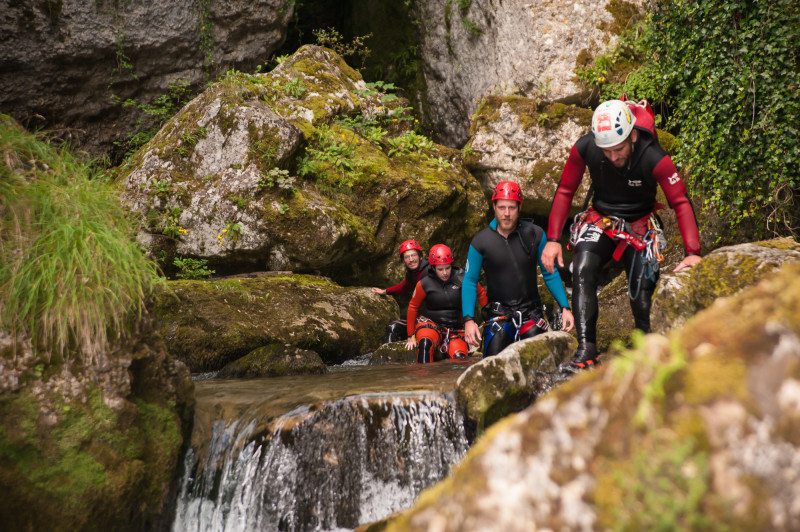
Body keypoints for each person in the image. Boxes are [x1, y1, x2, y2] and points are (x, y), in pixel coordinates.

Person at [542, 99, 702, 373]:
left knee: (641, 291)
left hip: (641, 222)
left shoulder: (654, 156)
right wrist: (553, 239)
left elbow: (681, 202)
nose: (613, 158)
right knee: (582, 267)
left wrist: (692, 252)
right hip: (602, 218)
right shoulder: (586, 147)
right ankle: (586, 350)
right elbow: (566, 189)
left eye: (618, 150)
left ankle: (647, 352)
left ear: (633, 136)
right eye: (607, 152)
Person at [462, 181, 575, 358]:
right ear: (494, 207)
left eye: (511, 208)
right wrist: (469, 320)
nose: (506, 213)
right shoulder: (481, 241)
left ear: (520, 207)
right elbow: (469, 281)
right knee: (493, 360)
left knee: (541, 363)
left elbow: (549, 272)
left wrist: (565, 307)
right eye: (502, 207)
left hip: (531, 314)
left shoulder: (535, 234)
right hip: (499, 316)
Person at [405, 244, 489, 363]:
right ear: (433, 268)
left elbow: (481, 294)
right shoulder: (424, 283)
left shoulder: (463, 278)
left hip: (455, 329)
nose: (445, 273)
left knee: (460, 359)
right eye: (440, 269)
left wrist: (488, 320)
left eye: (447, 268)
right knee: (425, 344)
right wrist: (410, 336)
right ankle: (423, 378)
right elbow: (413, 307)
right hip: (431, 324)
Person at [372, 239, 429, 343]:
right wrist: (385, 291)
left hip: (438, 320)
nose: (411, 259)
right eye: (407, 257)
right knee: (392, 328)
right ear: (403, 261)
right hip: (428, 318)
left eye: (413, 255)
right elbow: (404, 286)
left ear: (420, 257)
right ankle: (387, 357)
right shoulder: (411, 274)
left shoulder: (431, 270)